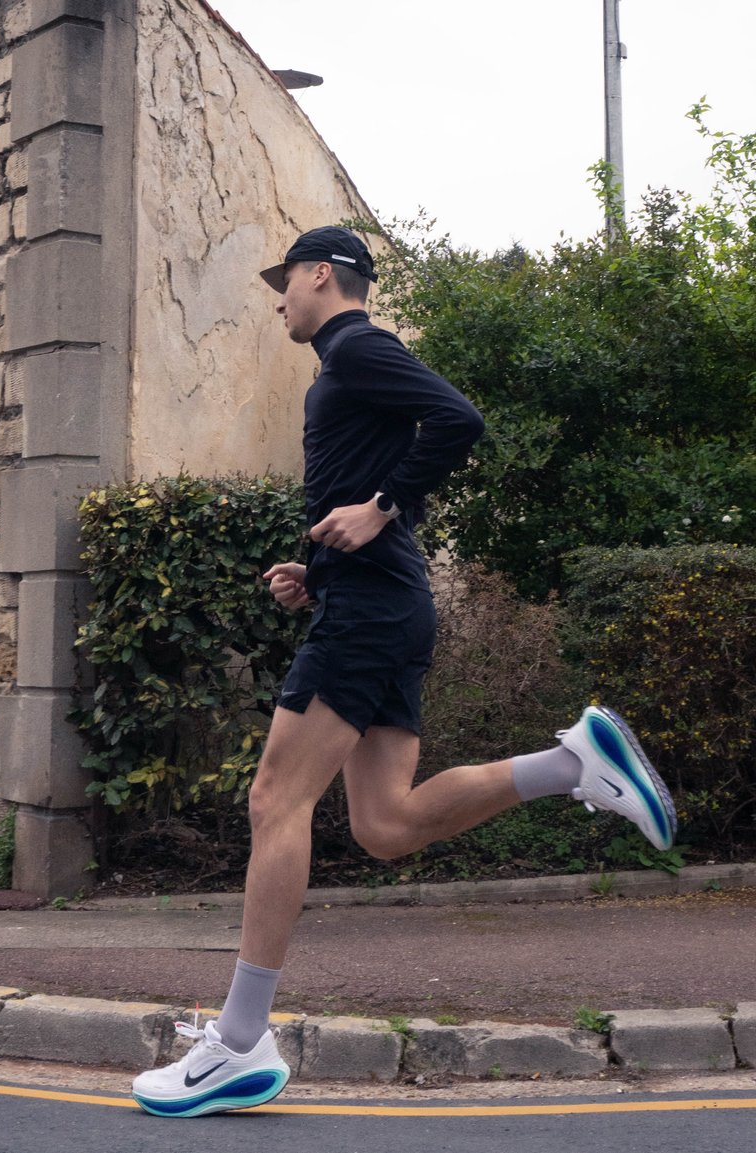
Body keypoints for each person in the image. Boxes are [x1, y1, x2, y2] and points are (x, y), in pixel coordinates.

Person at [132, 226, 677, 1118]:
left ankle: (236, 1042)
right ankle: (574, 764)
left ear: (321, 275)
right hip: (377, 603)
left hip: (372, 615)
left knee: (274, 800)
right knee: (384, 824)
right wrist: (321, 566)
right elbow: (373, 476)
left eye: (286, 283)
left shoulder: (357, 346)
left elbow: (458, 419)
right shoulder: (345, 366)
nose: (279, 301)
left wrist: (383, 509)